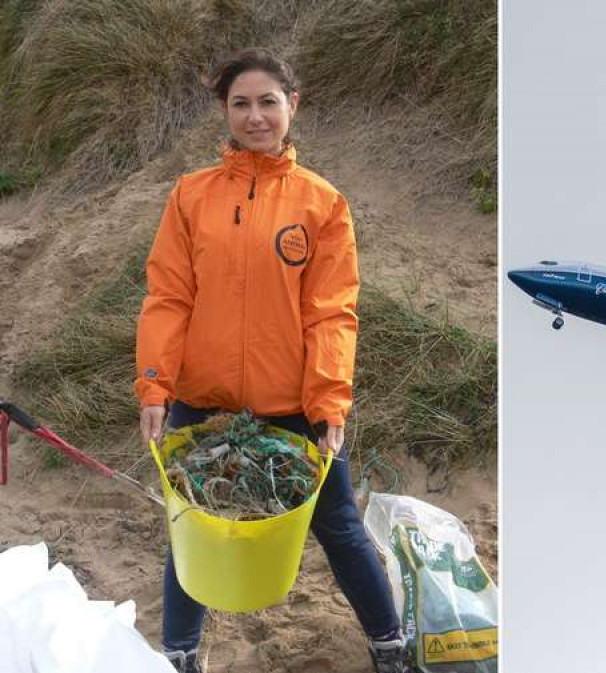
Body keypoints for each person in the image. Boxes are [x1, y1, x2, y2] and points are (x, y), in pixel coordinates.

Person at [134, 48, 413, 673]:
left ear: (293, 105)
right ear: (224, 112)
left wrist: (328, 401)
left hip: (291, 402)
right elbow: (168, 298)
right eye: (240, 103)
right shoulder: (190, 196)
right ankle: (179, 653)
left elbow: (331, 312)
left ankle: (388, 643)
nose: (255, 116)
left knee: (337, 524)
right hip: (201, 399)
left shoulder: (321, 203)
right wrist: (155, 388)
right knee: (193, 523)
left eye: (267, 101)